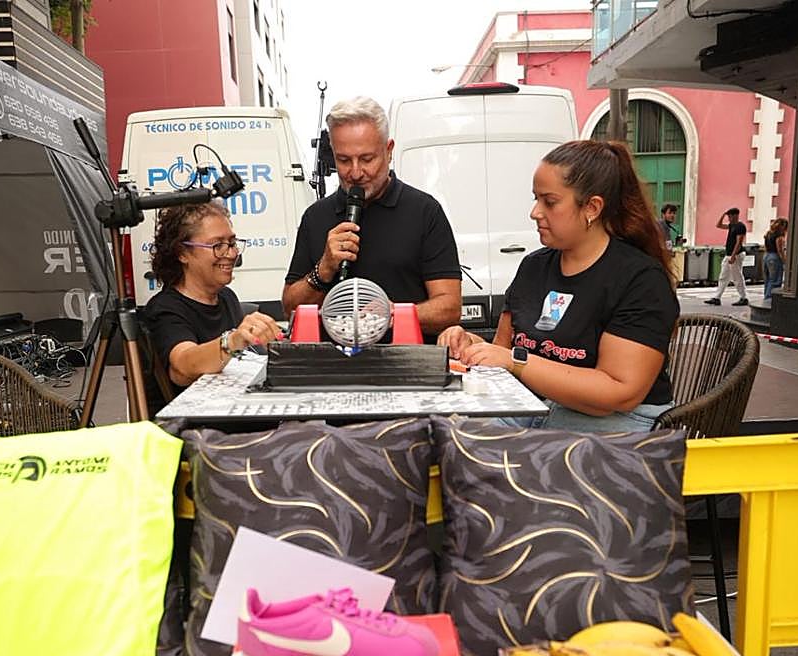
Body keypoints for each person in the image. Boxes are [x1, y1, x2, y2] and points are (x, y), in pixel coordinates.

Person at [438, 140, 679, 433]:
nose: (535, 212)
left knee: (484, 457)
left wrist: (516, 362)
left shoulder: (640, 279)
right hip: (537, 407)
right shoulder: (533, 267)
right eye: (535, 199)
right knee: (443, 436)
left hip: (616, 424)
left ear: (592, 207)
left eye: (549, 202)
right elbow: (503, 350)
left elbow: (618, 393)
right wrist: (471, 346)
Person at [282, 96, 461, 338]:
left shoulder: (424, 211)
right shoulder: (315, 217)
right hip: (331, 368)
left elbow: (449, 309)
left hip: (406, 368)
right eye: (344, 160)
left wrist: (392, 315)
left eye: (367, 159)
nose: (355, 172)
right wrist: (324, 269)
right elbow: (290, 309)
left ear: (388, 151)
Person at [141, 202, 282, 412]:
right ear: (182, 253)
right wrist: (232, 341)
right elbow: (182, 366)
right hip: (198, 431)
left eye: (232, 243)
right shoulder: (165, 309)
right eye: (217, 245)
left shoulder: (226, 298)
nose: (231, 253)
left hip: (237, 414)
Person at [704, 207, 748, 306]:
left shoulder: (740, 227)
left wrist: (733, 256)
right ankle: (717, 297)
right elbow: (718, 225)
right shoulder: (732, 225)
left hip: (736, 254)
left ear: (736, 215)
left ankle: (743, 297)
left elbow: (739, 242)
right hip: (729, 254)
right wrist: (723, 215)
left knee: (737, 277)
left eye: (730, 216)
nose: (729, 218)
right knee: (723, 276)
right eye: (728, 216)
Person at [762, 217, 788, 300]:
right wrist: (785, 261)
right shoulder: (779, 236)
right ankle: (770, 298)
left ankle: (766, 296)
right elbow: (780, 250)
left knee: (767, 280)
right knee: (775, 280)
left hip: (766, 256)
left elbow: (765, 247)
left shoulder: (768, 234)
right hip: (774, 257)